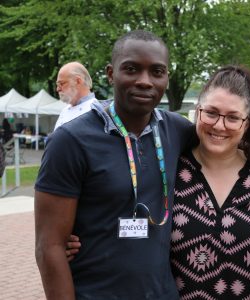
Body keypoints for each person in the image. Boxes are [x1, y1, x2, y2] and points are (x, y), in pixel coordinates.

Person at [34, 30, 194, 299]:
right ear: (110, 74)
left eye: (157, 72)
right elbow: (49, 247)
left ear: (166, 77)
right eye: (131, 69)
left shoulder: (176, 130)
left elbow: (226, 144)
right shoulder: (71, 141)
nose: (145, 81)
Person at [170, 65, 250, 298]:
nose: (219, 125)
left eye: (233, 117)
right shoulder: (168, 174)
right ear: (197, 111)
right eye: (211, 113)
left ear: (247, 123)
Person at [53, 61, 98, 130]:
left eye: (61, 83)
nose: (58, 89)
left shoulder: (96, 111)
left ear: (78, 81)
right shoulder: (64, 111)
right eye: (57, 85)